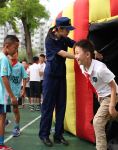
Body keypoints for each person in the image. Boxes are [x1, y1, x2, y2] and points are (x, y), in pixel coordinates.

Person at [74, 39, 118, 150]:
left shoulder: (100, 69)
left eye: (77, 53)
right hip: (101, 96)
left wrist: (111, 105)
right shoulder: (82, 65)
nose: (75, 56)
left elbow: (113, 87)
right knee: (110, 116)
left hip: (111, 94)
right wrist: (94, 53)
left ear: (87, 54)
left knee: (98, 122)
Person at [39, 17, 76, 147]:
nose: (69, 32)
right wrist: (78, 56)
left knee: (61, 106)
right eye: (67, 30)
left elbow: (76, 44)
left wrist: (89, 50)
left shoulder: (64, 39)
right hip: (51, 77)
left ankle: (58, 135)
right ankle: (44, 135)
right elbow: (64, 54)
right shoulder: (50, 41)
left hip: (61, 76)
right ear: (59, 29)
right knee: (48, 106)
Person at [6, 50, 28, 136]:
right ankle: (5, 121)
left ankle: (17, 127)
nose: (12, 55)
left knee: (15, 109)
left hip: (15, 91)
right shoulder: (5, 64)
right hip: (5, 92)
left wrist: (23, 89)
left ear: (17, 54)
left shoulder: (20, 66)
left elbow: (25, 77)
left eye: (14, 53)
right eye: (10, 53)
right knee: (3, 110)